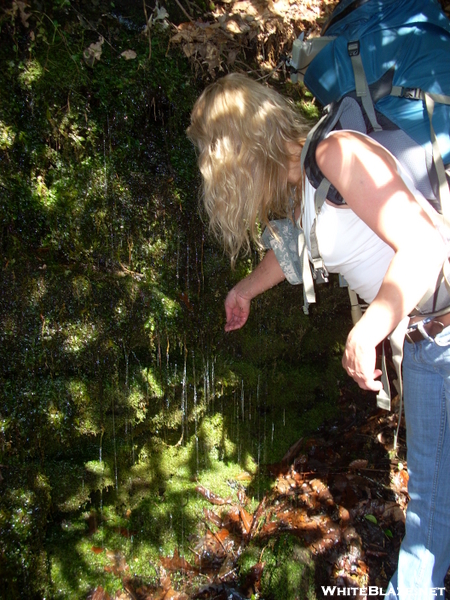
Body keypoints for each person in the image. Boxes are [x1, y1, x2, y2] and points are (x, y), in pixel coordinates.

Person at [187, 73, 450, 599]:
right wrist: (245, 290)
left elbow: (426, 244)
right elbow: (295, 250)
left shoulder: (338, 151)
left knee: (431, 502)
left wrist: (369, 327)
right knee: (432, 500)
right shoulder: (305, 181)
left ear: (240, 146)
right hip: (427, 344)